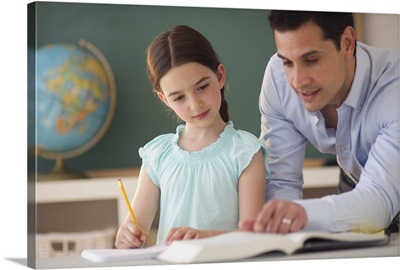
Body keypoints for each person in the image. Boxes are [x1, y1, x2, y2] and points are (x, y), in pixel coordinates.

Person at [240, 10, 399, 234]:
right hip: (355, 185)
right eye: (287, 62)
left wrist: (303, 214)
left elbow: (379, 198)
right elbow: (280, 184)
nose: (297, 81)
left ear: (347, 42)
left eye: (311, 60)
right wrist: (278, 223)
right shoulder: (277, 79)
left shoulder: (394, 89)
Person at [115, 25, 270, 249]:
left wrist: (206, 237)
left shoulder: (245, 152)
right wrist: (125, 237)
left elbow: (252, 235)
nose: (195, 104)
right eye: (179, 97)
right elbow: (133, 232)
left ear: (220, 76)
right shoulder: (158, 154)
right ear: (164, 99)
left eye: (202, 87)